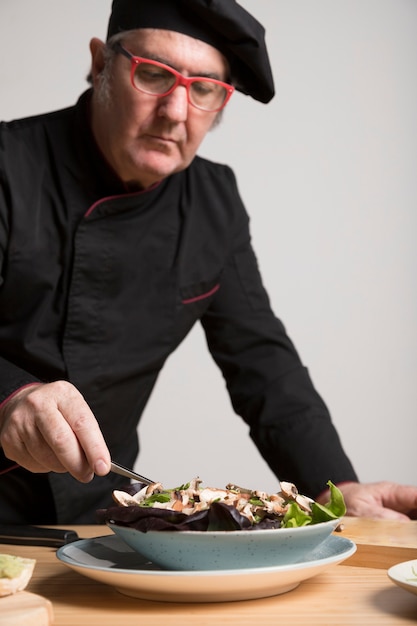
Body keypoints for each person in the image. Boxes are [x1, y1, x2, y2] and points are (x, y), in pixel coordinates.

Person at [0, 0, 416, 524]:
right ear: (101, 63)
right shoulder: (8, 167)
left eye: (203, 89)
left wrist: (341, 491)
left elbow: (264, 366)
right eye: (153, 74)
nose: (176, 111)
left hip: (90, 520)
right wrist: (11, 395)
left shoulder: (213, 205)